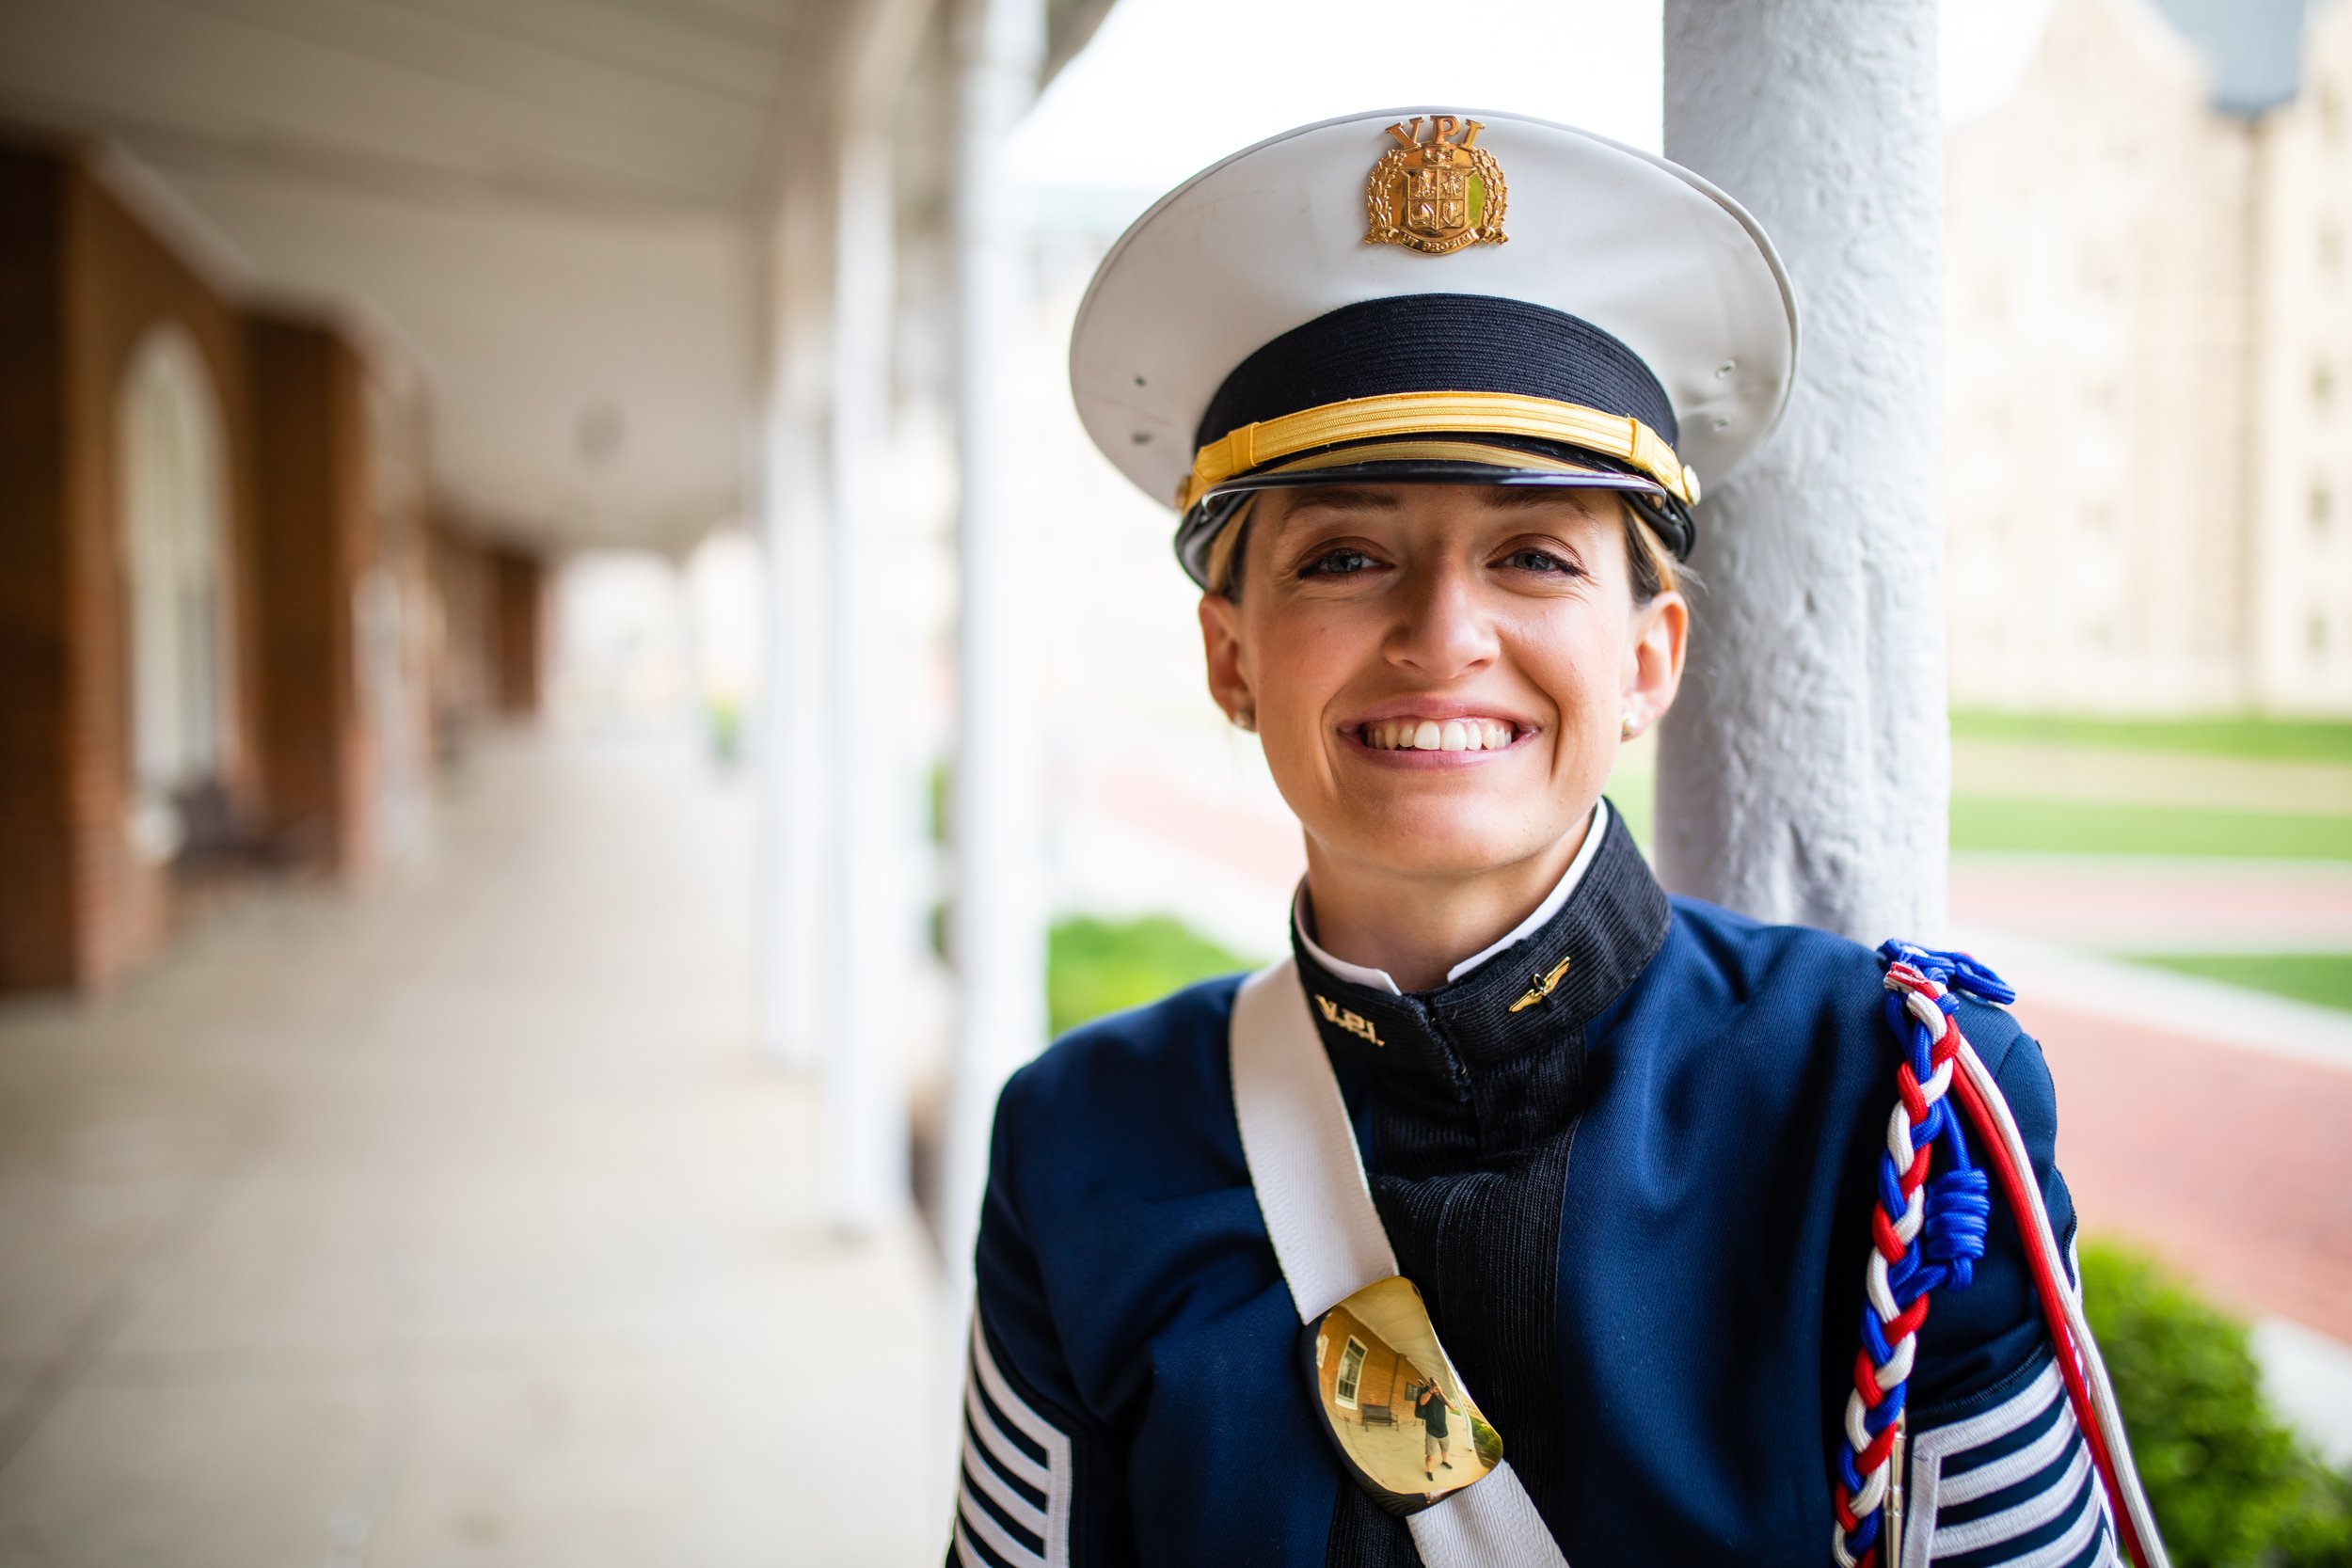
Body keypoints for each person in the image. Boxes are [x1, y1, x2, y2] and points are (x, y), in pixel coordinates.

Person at [949, 110, 2162, 1568]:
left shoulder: (1884, 1107)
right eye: (1345, 555)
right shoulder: (1084, 1144)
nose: (1444, 636)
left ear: (1650, 657)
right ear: (1230, 657)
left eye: (1533, 553)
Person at [1414, 1381, 1454, 1483]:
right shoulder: (1427, 1393)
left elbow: (1452, 1407)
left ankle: (1444, 1461)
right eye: (1434, 1385)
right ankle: (1429, 1471)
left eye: (1438, 1385)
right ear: (1431, 1385)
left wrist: (1441, 1393)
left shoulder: (1441, 1397)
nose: (1436, 1387)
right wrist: (1431, 1391)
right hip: (1431, 1431)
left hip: (1444, 1431)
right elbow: (1422, 1402)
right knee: (1431, 1456)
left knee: (1444, 1450)